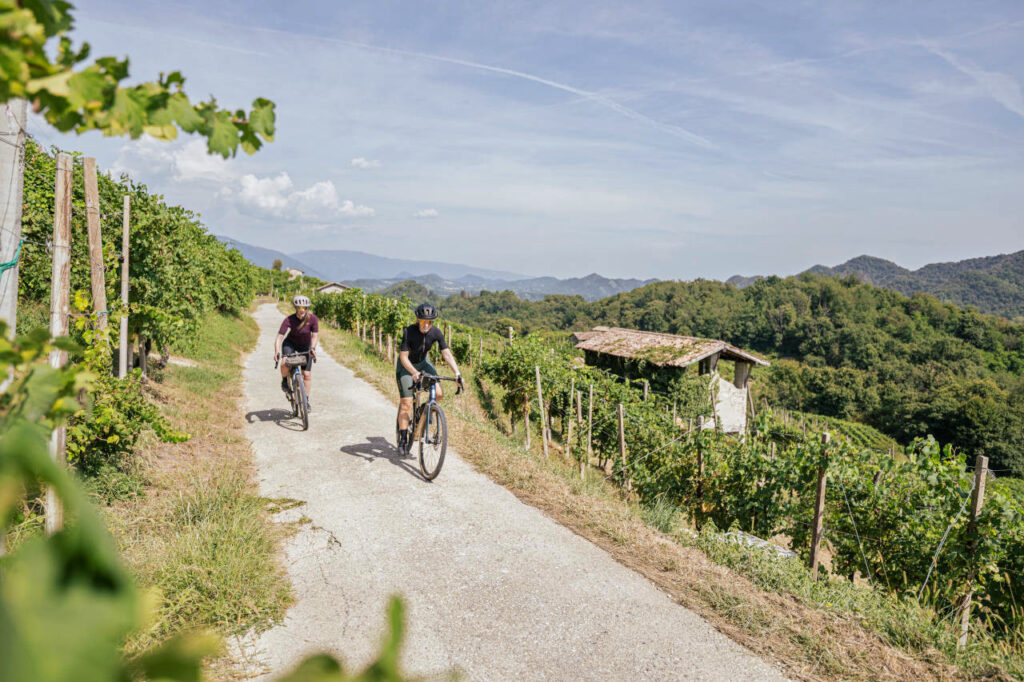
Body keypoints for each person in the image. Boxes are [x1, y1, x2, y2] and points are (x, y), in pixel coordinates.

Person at [396, 302, 463, 451]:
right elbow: (403, 357)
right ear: (417, 320)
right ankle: (403, 438)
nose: (426, 325)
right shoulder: (409, 331)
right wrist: (414, 372)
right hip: (406, 366)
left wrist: (457, 373)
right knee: (406, 403)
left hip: (423, 363)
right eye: (423, 321)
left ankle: (421, 411)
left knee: (438, 394)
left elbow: (446, 353)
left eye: (430, 322)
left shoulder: (436, 333)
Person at [275, 295, 319, 410]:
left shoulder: (313, 319)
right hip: (290, 344)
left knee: (307, 375)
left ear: (307, 308)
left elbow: (315, 336)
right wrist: (276, 352)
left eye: (304, 307)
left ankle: (306, 400)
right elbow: (279, 337)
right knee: (284, 362)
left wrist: (313, 348)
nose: (302, 310)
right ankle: (285, 381)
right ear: (295, 308)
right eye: (299, 308)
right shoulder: (289, 320)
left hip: (306, 346)